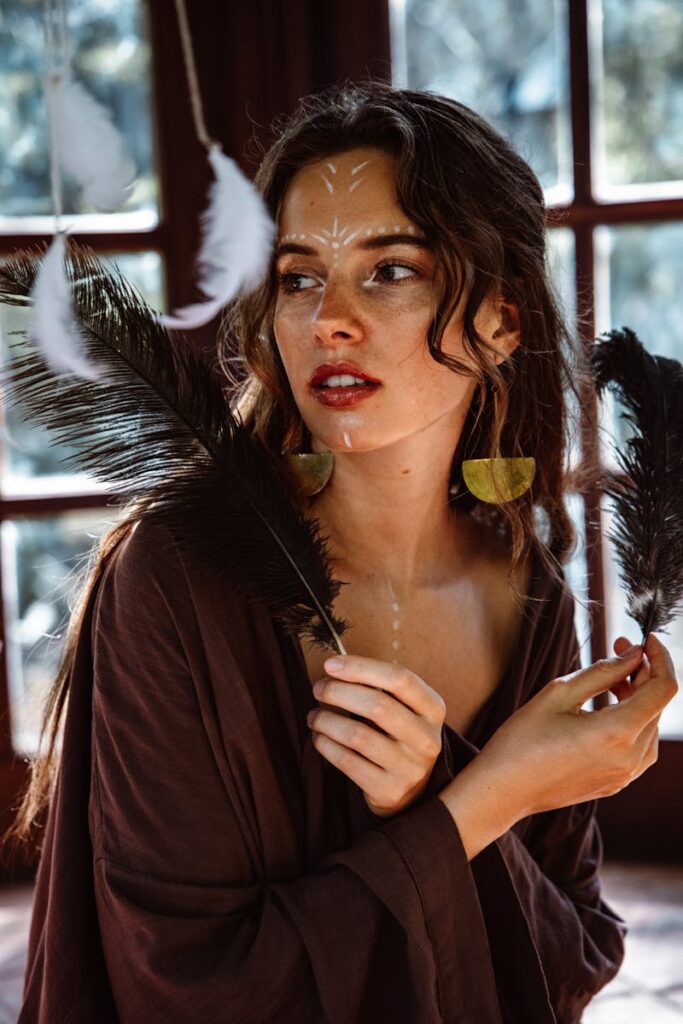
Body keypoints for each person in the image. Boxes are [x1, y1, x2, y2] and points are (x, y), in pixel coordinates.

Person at [8, 81, 679, 1023]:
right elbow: (187, 990)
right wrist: (486, 796)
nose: (328, 317)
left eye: (389, 270)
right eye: (296, 276)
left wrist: (440, 794)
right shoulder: (169, 581)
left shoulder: (528, 593)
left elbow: (567, 966)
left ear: (500, 323)